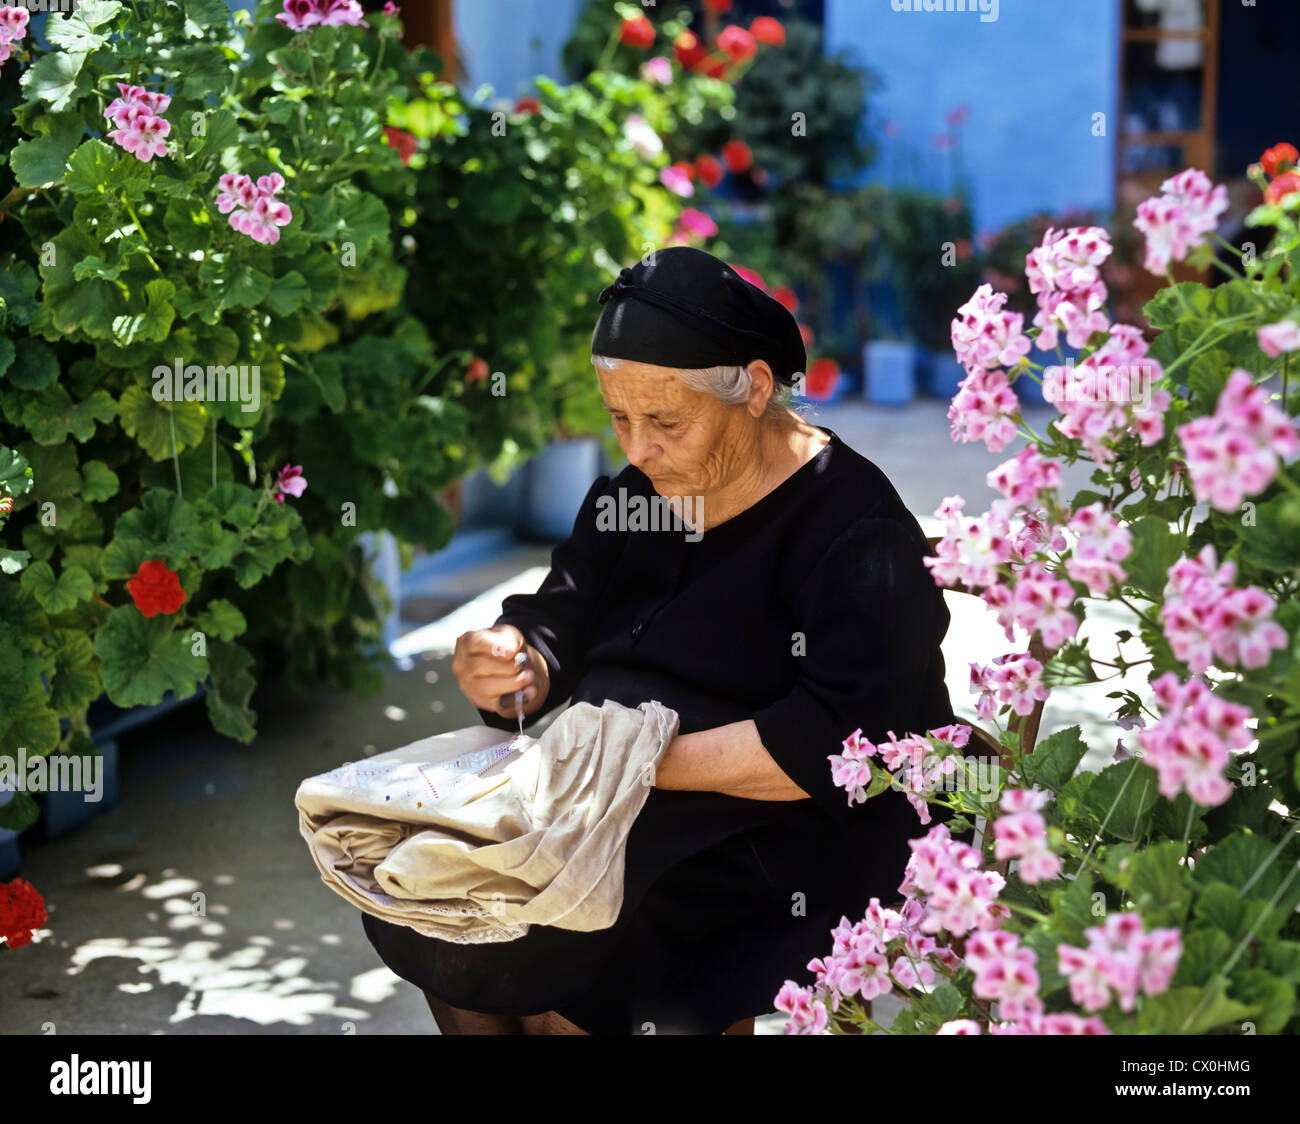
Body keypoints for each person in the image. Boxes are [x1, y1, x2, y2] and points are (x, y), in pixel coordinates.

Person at [361, 246, 958, 1035]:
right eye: (619, 419)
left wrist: (630, 759)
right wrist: (520, 658)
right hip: (625, 791)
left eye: (665, 422)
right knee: (443, 892)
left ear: (752, 387)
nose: (636, 450)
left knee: (594, 942)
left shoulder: (854, 530)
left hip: (790, 822)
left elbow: (837, 742)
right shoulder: (636, 496)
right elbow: (564, 610)